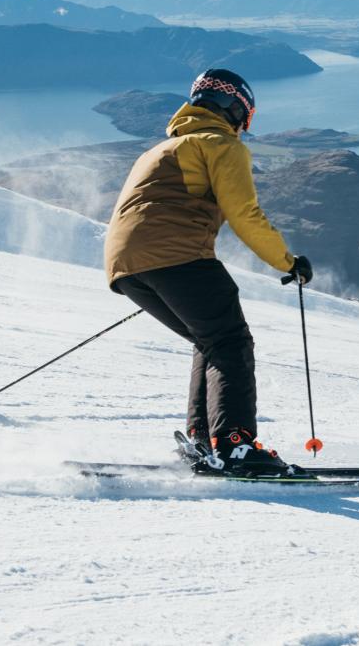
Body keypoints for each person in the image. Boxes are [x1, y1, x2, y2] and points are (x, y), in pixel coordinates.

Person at [104, 68, 313, 475]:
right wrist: (288, 261)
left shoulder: (159, 150)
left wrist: (148, 269)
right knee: (231, 342)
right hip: (176, 257)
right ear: (238, 112)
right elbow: (245, 215)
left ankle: (202, 443)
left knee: (210, 341)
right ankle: (236, 445)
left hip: (125, 266)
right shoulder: (220, 145)